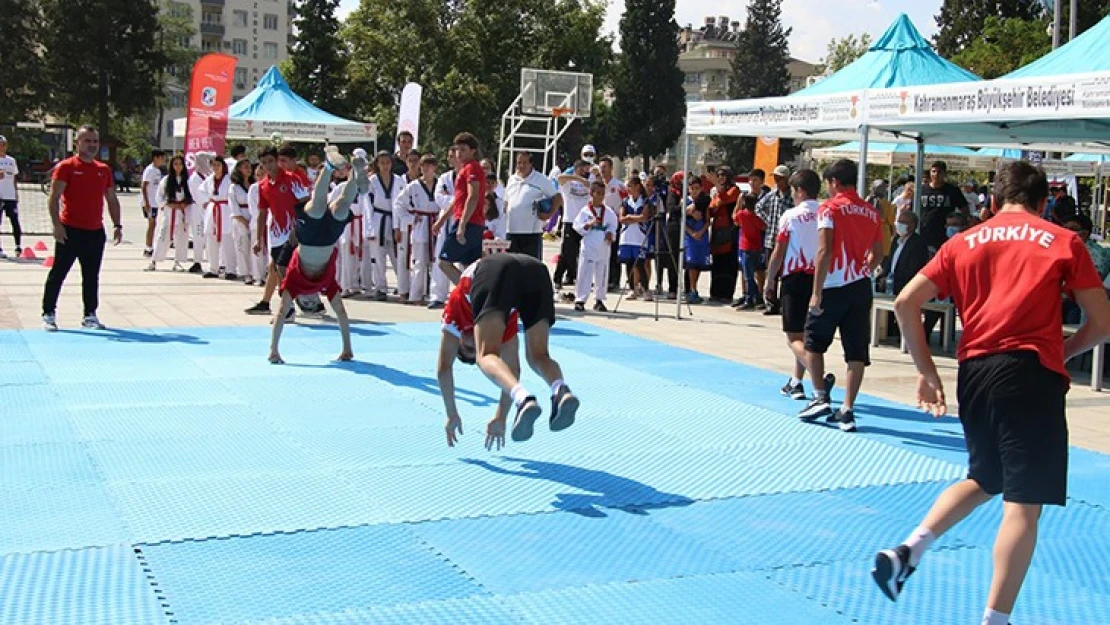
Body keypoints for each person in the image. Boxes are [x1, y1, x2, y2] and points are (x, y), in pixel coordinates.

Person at [877, 161, 1110, 625]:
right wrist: (1062, 353)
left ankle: (909, 548)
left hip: (975, 370)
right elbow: (1102, 321)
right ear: (1044, 202)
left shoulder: (962, 242)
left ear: (995, 200)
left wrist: (927, 371)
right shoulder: (1064, 240)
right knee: (1024, 504)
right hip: (1030, 373)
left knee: (985, 476)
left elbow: (905, 302)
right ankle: (995, 620)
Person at [437, 252, 580, 447]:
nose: (474, 343)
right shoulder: (502, 322)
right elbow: (513, 369)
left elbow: (444, 368)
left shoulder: (454, 315)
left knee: (486, 355)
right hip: (535, 271)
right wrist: (501, 417)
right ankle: (560, 390)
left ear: (459, 341)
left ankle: (523, 399)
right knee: (538, 356)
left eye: (469, 346)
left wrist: (450, 413)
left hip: (495, 269)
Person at [798, 159, 884, 432]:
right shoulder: (871, 212)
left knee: (813, 341)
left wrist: (816, 291)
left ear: (834, 182)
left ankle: (820, 395)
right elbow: (879, 251)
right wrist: (864, 269)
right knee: (856, 349)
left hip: (833, 283)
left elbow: (824, 250)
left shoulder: (830, 208)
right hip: (860, 286)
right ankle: (848, 408)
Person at [269, 149, 368, 364]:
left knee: (320, 205)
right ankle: (354, 174)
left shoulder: (294, 284)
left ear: (303, 299)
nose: (311, 299)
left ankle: (331, 167)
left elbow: (280, 314)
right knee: (340, 206)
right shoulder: (327, 284)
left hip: (313, 239)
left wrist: (274, 350)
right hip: (326, 239)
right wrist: (347, 349)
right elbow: (341, 313)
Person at [41, 126, 123, 331]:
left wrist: (117, 225)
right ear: (77, 143)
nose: (92, 145)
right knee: (58, 273)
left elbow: (111, 199)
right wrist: (56, 225)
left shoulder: (103, 170)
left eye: (95, 141)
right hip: (70, 230)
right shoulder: (66, 167)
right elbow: (54, 198)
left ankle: (90, 315)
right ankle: (48, 313)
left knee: (91, 276)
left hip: (94, 232)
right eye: (87, 141)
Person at [764, 169, 822, 400]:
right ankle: (796, 381)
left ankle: (817, 373)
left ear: (799, 191)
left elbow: (779, 251)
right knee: (805, 334)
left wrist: (770, 280)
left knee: (792, 336)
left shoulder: (791, 215)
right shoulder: (827, 213)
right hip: (818, 277)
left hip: (795, 277)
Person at [246, 144, 312, 316]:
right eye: (264, 163)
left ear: (277, 161)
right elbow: (262, 212)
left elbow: (306, 202)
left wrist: (300, 227)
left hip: (294, 232)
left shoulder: (292, 179)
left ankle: (296, 304)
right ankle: (289, 305)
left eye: (270, 161)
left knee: (287, 268)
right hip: (276, 235)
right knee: (278, 268)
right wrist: (258, 239)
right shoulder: (263, 186)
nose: (268, 166)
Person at [436, 133, 487, 284]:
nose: (459, 153)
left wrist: (462, 225)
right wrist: (441, 221)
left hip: (469, 222)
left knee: (443, 262)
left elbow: (473, 196)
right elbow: (458, 200)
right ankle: (473, 295)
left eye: (463, 149)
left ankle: (468, 293)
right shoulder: (465, 169)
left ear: (473, 151)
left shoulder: (472, 168)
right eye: (457, 149)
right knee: (469, 266)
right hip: (470, 222)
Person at [394, 153, 442, 305]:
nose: (427, 169)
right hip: (420, 224)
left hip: (436, 223)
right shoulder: (413, 185)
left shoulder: (441, 184)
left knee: (436, 261)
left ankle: (435, 295)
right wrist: (410, 219)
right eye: (424, 166)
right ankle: (416, 295)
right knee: (419, 261)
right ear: (420, 167)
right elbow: (398, 204)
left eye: (430, 166)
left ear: (435, 167)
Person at [504, 151, 561, 259]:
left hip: (531, 233)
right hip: (511, 231)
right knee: (512, 266)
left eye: (525, 162)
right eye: (519, 163)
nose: (521, 166)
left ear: (531, 164)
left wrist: (549, 214)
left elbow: (557, 197)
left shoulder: (541, 179)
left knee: (531, 267)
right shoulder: (512, 179)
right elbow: (506, 202)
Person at [365, 150, 405, 301]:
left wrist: (400, 226)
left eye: (388, 162)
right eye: (382, 163)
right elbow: (367, 205)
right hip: (377, 219)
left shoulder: (399, 180)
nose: (385, 166)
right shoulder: (372, 181)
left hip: (394, 219)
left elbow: (402, 203)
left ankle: (403, 287)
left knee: (397, 256)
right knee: (378, 256)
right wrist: (369, 228)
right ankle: (380, 288)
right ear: (377, 164)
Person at [573, 180, 619, 312]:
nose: (600, 196)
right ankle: (580, 299)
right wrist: (588, 225)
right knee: (585, 273)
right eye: (598, 193)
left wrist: (610, 233)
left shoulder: (608, 212)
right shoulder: (585, 211)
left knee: (602, 274)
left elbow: (613, 225)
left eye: (602, 193)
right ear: (591, 194)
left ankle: (599, 300)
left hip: (603, 246)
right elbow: (577, 226)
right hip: (589, 244)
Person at [754, 165, 793, 313]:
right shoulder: (773, 194)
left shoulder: (791, 195)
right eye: (775, 178)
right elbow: (758, 207)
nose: (777, 181)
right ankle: (771, 303)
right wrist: (768, 221)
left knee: (786, 272)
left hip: (789, 240)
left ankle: (784, 303)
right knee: (772, 272)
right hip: (772, 238)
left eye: (780, 178)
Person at [146, 155, 192, 272]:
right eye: (175, 164)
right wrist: (167, 203)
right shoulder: (166, 180)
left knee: (181, 238)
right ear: (171, 165)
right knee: (163, 236)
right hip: (170, 212)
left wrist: (186, 204)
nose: (178, 166)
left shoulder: (187, 180)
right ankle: (154, 261)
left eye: (180, 164)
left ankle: (178, 262)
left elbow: (192, 197)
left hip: (182, 213)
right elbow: (159, 197)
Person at [553, 159, 592, 291]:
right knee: (567, 252)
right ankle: (558, 278)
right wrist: (578, 178)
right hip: (570, 220)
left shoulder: (589, 182)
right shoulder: (569, 183)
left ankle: (578, 277)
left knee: (583, 252)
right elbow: (559, 178)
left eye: (586, 169)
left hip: (584, 222)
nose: (584, 172)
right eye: (582, 169)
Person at [919, 161, 969, 254]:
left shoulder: (952, 190)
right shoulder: (921, 190)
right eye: (933, 171)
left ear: (944, 174)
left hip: (944, 233)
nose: (936, 174)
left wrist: (960, 225)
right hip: (924, 232)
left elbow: (964, 209)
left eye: (939, 172)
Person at [202, 157, 235, 279]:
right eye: (213, 165)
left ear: (223, 166)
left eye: (218, 165)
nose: (216, 167)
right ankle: (213, 268)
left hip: (225, 209)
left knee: (227, 240)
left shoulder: (229, 179)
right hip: (213, 209)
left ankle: (230, 269)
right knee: (211, 239)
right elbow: (201, 191)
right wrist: (206, 202)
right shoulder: (209, 179)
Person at [618, 176, 651, 299]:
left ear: (637, 186)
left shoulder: (645, 201)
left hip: (640, 237)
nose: (628, 189)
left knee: (640, 264)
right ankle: (633, 289)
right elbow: (621, 218)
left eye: (630, 186)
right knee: (629, 264)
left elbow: (644, 217)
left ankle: (646, 289)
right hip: (626, 237)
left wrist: (630, 217)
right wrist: (633, 218)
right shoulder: (625, 201)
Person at [733, 193, 766, 309]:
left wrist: (738, 203)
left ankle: (749, 299)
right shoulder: (756, 217)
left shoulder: (742, 214)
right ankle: (756, 295)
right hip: (756, 247)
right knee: (753, 273)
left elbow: (734, 218)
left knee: (748, 275)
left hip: (746, 247)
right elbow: (763, 227)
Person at [684, 177, 711, 305]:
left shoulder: (703, 202)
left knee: (699, 264)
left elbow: (707, 220)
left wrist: (701, 231)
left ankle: (695, 288)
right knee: (691, 264)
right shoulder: (685, 202)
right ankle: (692, 289)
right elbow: (681, 220)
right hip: (690, 236)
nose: (694, 191)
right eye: (692, 189)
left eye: (697, 189)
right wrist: (691, 232)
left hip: (702, 235)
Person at [186, 152, 212, 273]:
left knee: (210, 236)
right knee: (198, 235)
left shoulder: (208, 176)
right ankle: (197, 261)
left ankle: (213, 262)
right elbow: (198, 196)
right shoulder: (194, 178)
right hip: (198, 209)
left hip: (208, 209)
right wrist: (207, 202)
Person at [0, 135, 25, 259]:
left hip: (10, 196)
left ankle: (18, 246)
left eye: (3, 144)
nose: (2, 146)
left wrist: (16, 193)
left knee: (14, 221)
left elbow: (14, 178)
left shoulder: (11, 160)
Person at [140, 150, 166, 257]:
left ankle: (149, 246)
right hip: (149, 202)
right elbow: (144, 186)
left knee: (153, 224)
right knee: (151, 224)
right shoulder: (149, 170)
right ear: (155, 158)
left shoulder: (157, 171)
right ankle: (148, 247)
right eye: (161, 158)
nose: (163, 161)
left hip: (155, 202)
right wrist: (146, 202)